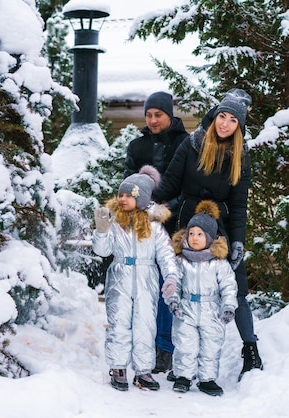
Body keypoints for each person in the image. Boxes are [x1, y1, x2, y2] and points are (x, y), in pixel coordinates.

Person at [152, 88, 264, 382]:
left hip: (219, 226)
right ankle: (179, 357)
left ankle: (250, 350)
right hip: (186, 223)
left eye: (232, 121)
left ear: (239, 126)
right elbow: (170, 184)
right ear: (214, 117)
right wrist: (146, 201)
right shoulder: (192, 144)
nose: (225, 124)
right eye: (222, 117)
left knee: (236, 286)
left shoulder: (241, 157)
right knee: (182, 286)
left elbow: (239, 204)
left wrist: (237, 241)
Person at [92, 165, 181, 392]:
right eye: (120, 194)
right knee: (119, 322)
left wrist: (171, 277)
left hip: (146, 278)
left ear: (141, 199)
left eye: (128, 195)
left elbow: (166, 255)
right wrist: (102, 230)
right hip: (120, 277)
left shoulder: (154, 228)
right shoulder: (115, 224)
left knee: (145, 324)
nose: (122, 199)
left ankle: (143, 371)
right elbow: (102, 251)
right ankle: (118, 367)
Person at [123, 91, 189, 375]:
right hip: (143, 228)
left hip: (174, 226)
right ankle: (142, 344)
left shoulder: (185, 144)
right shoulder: (137, 147)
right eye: (148, 115)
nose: (152, 120)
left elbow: (189, 187)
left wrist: (165, 210)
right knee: (143, 287)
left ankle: (165, 348)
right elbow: (128, 184)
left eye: (158, 115)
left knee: (167, 286)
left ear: (169, 115)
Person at [162, 200, 237, 396]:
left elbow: (229, 285)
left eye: (200, 234)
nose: (194, 238)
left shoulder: (219, 263)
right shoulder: (181, 261)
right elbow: (174, 282)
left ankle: (207, 379)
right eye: (191, 233)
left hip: (211, 309)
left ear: (210, 238)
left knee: (210, 347)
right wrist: (174, 301)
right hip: (186, 308)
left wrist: (228, 306)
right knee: (185, 345)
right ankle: (183, 377)